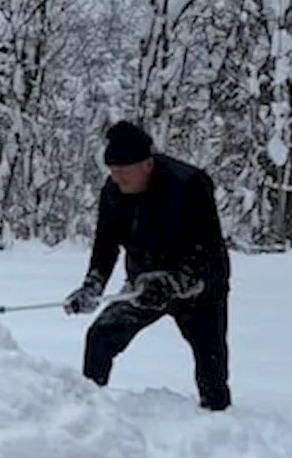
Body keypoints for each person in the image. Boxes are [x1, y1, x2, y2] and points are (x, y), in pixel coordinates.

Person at [63, 120, 232, 411]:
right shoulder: (113, 192)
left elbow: (207, 245)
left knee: (210, 362)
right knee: (100, 336)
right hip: (141, 288)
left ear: (147, 164)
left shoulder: (189, 184)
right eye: (113, 171)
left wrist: (174, 282)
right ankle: (89, 411)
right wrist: (93, 285)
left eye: (124, 171)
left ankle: (219, 422)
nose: (118, 178)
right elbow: (106, 245)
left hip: (200, 288)